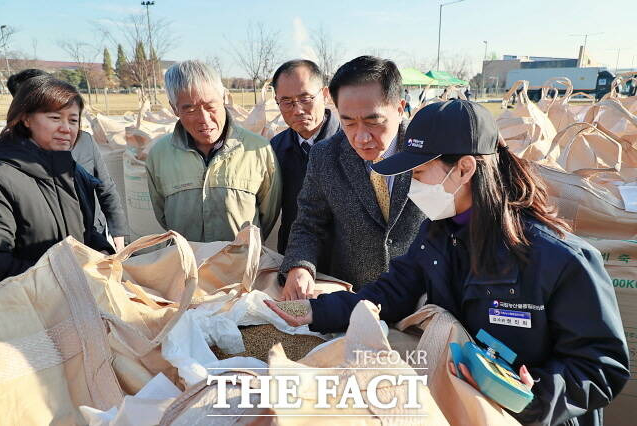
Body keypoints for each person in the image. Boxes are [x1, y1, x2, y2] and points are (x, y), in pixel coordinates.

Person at [266, 99, 630, 425]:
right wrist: (314, 312)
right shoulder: (437, 237)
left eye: (420, 174)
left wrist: (533, 393)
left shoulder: (558, 258)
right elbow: (390, 293)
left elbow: (601, 367)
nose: (412, 186)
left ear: (465, 169)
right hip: (466, 404)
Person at [278, 56, 426, 299]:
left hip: (421, 298)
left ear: (400, 109)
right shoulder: (326, 156)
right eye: (349, 123)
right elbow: (309, 223)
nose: (361, 137)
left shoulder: (426, 151)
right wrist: (300, 266)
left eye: (373, 122)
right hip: (352, 298)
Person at [146, 60, 282, 243]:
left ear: (224, 97)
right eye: (191, 110)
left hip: (241, 266)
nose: (204, 119)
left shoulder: (258, 149)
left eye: (211, 106)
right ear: (174, 108)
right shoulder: (159, 155)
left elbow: (268, 216)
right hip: (185, 266)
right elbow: (162, 213)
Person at [0, 77, 114, 281]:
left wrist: (103, 253)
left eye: (73, 120)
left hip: (78, 298)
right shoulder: (3, 178)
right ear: (26, 119)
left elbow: (86, 232)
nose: (66, 128)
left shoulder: (75, 173)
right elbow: (0, 263)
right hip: (25, 306)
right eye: (55, 117)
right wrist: (67, 277)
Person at [7, 69, 128, 252]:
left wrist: (116, 238)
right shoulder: (7, 167)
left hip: (91, 236)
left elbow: (106, 188)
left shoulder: (84, 142)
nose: (65, 128)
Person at [270, 60, 341, 257]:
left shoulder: (352, 143)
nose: (297, 110)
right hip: (292, 258)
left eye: (306, 98)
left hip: (344, 265)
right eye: (286, 102)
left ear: (325, 94)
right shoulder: (275, 148)